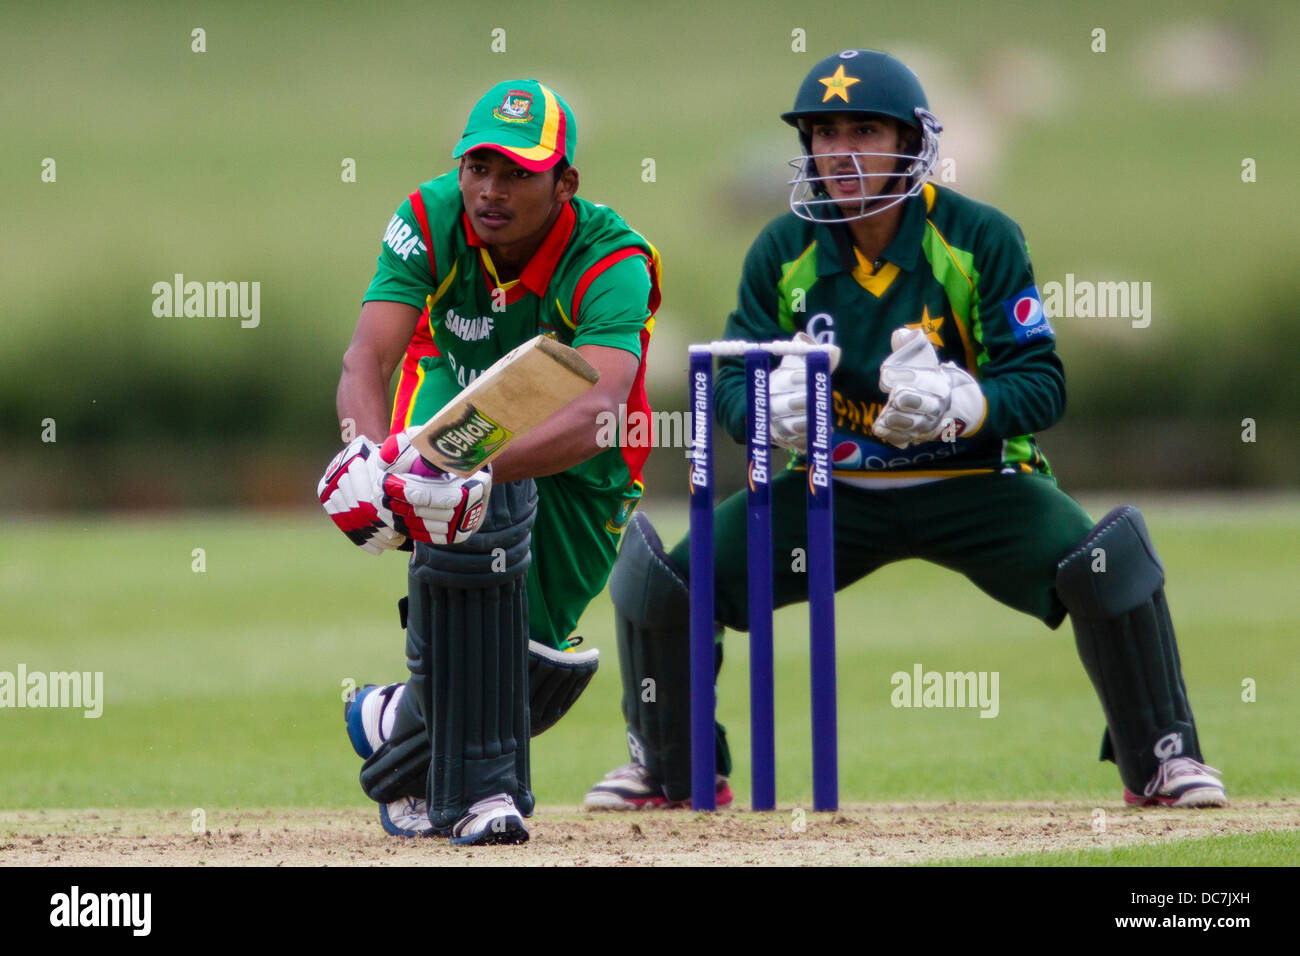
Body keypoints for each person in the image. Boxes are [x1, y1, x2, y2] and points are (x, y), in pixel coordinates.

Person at [583, 49, 1226, 812]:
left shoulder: (979, 239)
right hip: (832, 492)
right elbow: (727, 376)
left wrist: (967, 402)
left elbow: (1043, 383)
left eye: (864, 130)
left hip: (976, 483)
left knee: (1107, 566)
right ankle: (670, 768)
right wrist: (762, 410)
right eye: (824, 133)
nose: (841, 150)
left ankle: (1162, 758)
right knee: (665, 583)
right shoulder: (781, 251)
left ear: (913, 144)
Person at [318, 78, 662, 844]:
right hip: (458, 376)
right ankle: (481, 799)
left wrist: (473, 475)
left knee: (536, 663)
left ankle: (389, 724)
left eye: (517, 174)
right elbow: (366, 358)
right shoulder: (429, 216)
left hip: (586, 453)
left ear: (564, 182)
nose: (490, 191)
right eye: (479, 168)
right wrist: (372, 459)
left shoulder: (613, 256)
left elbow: (598, 413)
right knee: (463, 537)